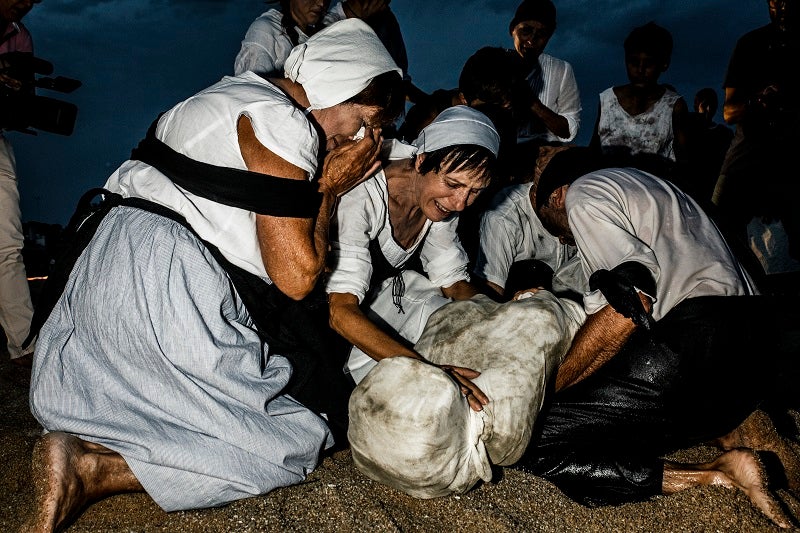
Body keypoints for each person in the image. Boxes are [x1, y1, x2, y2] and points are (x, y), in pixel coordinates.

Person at [25, 19, 405, 532]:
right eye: (365, 121)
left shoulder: (219, 95)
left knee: (149, 402)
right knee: (291, 441)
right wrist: (330, 189)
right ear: (342, 87)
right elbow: (296, 277)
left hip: (101, 274)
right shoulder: (284, 122)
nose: (361, 140)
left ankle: (98, 439)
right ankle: (97, 470)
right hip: (166, 287)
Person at [511, 147, 800, 529]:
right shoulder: (660, 189)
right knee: (610, 407)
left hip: (700, 341)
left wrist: (549, 389)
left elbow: (629, 303)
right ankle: (727, 430)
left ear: (558, 195)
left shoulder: (583, 193)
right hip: (756, 354)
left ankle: (713, 473)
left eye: (556, 227)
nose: (566, 238)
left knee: (527, 438)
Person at [325, 105, 499, 410]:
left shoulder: (440, 204)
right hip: (323, 322)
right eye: (453, 184)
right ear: (421, 160)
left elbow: (452, 282)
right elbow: (340, 312)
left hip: (371, 307)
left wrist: (507, 314)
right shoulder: (363, 194)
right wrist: (428, 372)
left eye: (475, 191)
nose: (460, 203)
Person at [712, 0, 799, 283]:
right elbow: (729, 112)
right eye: (774, 1)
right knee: (713, 230)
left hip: (792, 154)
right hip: (748, 154)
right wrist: (759, 100)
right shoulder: (750, 44)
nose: (782, 7)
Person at [234, 0, 424, 103]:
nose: (321, 3)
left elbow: (349, 11)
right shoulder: (266, 30)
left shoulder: (324, 29)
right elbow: (248, 92)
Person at [588, 21, 689, 180]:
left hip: (653, 189)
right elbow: (593, 153)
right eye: (634, 62)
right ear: (626, 61)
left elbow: (684, 163)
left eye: (648, 63)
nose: (640, 70)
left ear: (664, 64)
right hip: (608, 186)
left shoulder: (672, 106)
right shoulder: (608, 101)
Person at [0, 0, 38, 368]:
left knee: (7, 246)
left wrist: (18, 90)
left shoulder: (20, 37)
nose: (26, 4)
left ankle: (25, 350)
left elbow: (25, 106)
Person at [508, 0, 581, 152]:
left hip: (547, 153)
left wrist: (533, 103)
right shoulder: (493, 65)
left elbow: (569, 131)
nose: (531, 40)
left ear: (549, 37)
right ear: (512, 30)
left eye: (541, 34)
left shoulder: (561, 69)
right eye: (526, 31)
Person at [683, 87, 733, 204]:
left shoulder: (724, 133)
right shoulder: (688, 128)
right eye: (705, 105)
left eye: (712, 105)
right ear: (697, 106)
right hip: (690, 188)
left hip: (713, 188)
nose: (709, 109)